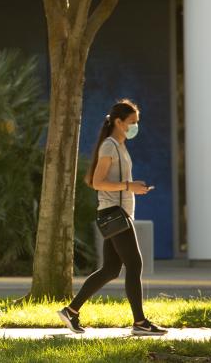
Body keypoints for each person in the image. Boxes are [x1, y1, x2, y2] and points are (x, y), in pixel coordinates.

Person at [56, 99, 167, 336]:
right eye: (132, 122)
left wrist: (133, 188)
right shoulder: (109, 146)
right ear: (118, 122)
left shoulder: (120, 145)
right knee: (134, 264)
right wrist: (129, 186)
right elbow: (97, 182)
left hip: (118, 213)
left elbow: (113, 183)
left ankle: (71, 311)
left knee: (110, 269)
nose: (135, 126)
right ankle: (139, 322)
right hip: (113, 214)